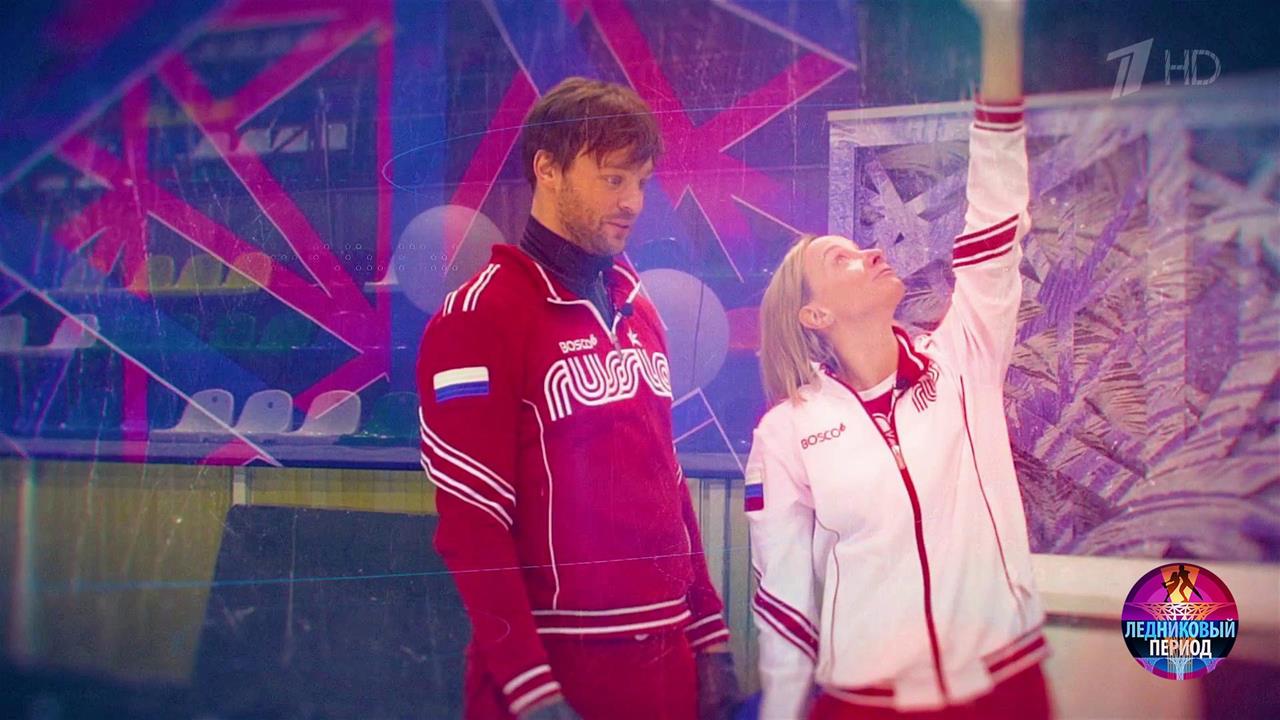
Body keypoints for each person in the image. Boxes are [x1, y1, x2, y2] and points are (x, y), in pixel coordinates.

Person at [745, 2, 1051, 718]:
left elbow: (997, 213)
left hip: (1002, 688)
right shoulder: (786, 433)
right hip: (864, 703)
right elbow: (783, 603)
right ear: (815, 316)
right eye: (843, 260)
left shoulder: (965, 356)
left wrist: (1000, 31)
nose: (872, 252)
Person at [416, 77, 740, 720]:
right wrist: (532, 690)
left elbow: (668, 481)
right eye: (613, 178)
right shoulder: (480, 315)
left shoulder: (639, 306)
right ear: (548, 169)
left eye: (641, 182)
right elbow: (473, 525)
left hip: (668, 658)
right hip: (559, 668)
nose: (632, 202)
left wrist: (709, 637)